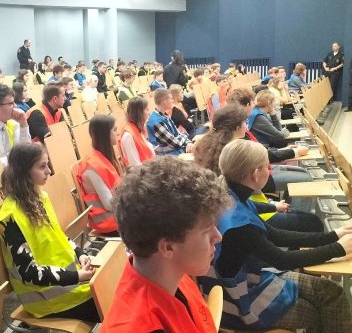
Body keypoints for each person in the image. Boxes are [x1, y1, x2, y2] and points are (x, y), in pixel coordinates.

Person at [198, 139, 352, 332]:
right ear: (256, 174)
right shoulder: (238, 225)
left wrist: (334, 235)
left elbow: (276, 235)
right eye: (267, 167)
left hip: (249, 279)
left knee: (331, 291)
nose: (270, 170)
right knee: (318, 311)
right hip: (239, 300)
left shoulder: (231, 193)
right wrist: (338, 248)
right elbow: (282, 259)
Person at [102, 156, 228, 332]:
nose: (218, 237)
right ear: (168, 247)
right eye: (206, 231)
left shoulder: (170, 275)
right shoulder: (142, 326)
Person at [0, 143, 99, 322]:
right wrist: (76, 276)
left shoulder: (40, 197)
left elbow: (59, 236)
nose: (49, 171)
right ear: (24, 171)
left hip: (69, 284)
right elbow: (30, 273)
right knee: (112, 300)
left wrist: (80, 253)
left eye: (47, 164)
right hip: (47, 299)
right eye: (42, 166)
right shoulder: (10, 218)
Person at [194, 104, 323, 233]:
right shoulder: (234, 150)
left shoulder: (220, 146)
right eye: (244, 122)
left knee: (303, 180)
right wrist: (271, 205)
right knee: (312, 220)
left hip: (252, 204)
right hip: (256, 212)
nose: (246, 125)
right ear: (237, 127)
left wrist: (271, 205)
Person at [75, 114, 122, 235]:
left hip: (119, 216)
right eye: (114, 130)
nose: (118, 133)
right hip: (110, 225)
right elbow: (109, 204)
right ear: (105, 135)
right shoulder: (92, 166)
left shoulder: (104, 157)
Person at [147, 88, 192, 155]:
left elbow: (178, 134)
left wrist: (188, 143)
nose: (172, 101)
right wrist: (185, 134)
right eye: (171, 98)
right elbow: (176, 143)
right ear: (164, 101)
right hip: (169, 157)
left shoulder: (164, 115)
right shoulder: (157, 122)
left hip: (177, 152)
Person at [118, 97, 154, 167]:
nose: (148, 113)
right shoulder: (128, 136)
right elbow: (135, 166)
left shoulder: (137, 129)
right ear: (139, 113)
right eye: (146, 110)